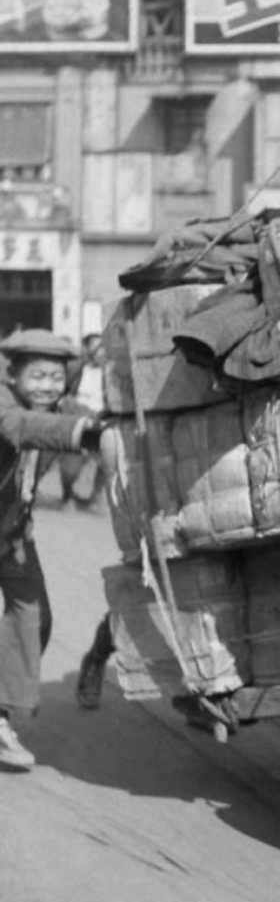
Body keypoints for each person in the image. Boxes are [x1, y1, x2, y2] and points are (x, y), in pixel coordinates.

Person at [0, 329, 104, 770]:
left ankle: (2, 714)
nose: (48, 386)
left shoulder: (61, 407)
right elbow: (23, 428)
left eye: (56, 377)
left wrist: (112, 427)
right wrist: (82, 432)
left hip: (13, 534)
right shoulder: (5, 403)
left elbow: (92, 417)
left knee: (34, 618)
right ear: (14, 376)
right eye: (38, 376)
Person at [59, 332, 106, 509]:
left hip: (102, 418)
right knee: (71, 463)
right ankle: (67, 493)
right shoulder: (75, 369)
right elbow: (62, 392)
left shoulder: (110, 372)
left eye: (102, 347)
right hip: (77, 418)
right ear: (86, 349)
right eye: (96, 347)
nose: (100, 351)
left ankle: (95, 497)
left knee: (108, 458)